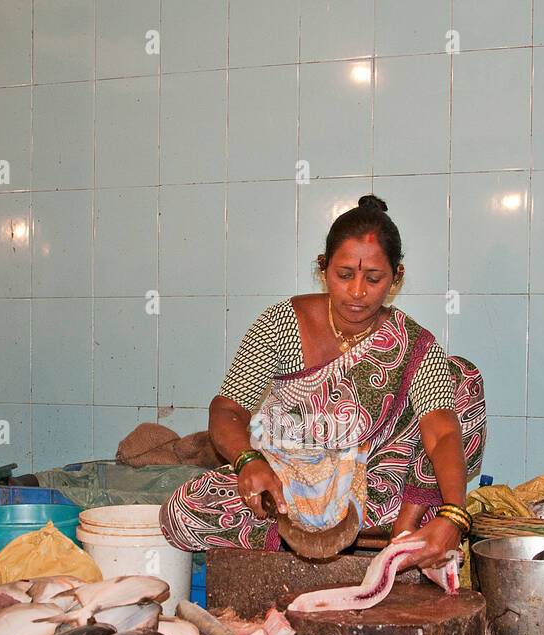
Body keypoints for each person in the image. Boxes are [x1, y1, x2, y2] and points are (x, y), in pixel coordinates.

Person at [161, 195, 486, 571]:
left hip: (373, 487)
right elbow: (227, 410)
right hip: (289, 482)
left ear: (396, 277)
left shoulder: (413, 342)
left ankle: (407, 529)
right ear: (323, 268)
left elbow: (442, 432)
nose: (358, 291)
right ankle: (307, 538)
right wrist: (248, 461)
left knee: (462, 377)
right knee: (183, 511)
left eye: (374, 278)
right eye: (344, 275)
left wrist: (455, 514)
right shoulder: (282, 323)